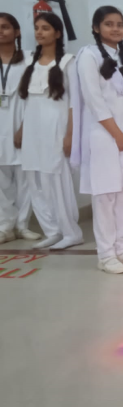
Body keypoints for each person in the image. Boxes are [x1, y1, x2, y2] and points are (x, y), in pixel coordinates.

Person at [72, 6, 123, 274]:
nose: (115, 29)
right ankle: (105, 255)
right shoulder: (88, 56)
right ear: (96, 28)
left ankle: (121, 248)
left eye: (119, 24)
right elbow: (94, 101)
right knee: (105, 196)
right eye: (108, 24)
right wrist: (118, 135)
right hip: (104, 136)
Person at [16, 13, 84, 250]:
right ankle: (52, 230)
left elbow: (75, 102)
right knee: (35, 180)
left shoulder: (68, 62)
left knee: (56, 180)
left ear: (57, 33)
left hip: (56, 128)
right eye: (37, 28)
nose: (39, 32)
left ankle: (71, 232)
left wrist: (70, 135)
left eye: (45, 28)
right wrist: (21, 130)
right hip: (32, 130)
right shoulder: (30, 63)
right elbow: (27, 102)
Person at [0, 13, 40, 244]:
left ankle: (22, 225)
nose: (1, 31)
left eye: (5, 27)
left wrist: (24, 128)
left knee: (26, 179)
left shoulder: (29, 60)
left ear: (16, 32)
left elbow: (36, 98)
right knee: (2, 182)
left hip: (22, 124)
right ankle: (5, 226)